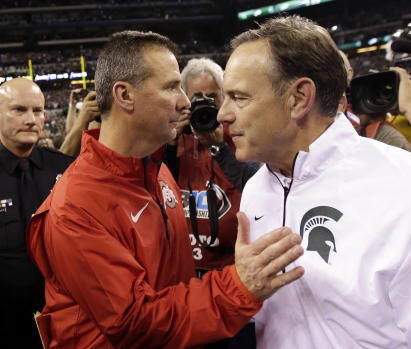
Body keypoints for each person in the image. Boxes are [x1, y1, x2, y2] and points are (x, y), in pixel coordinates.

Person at [27, 31, 304, 348]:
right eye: (172, 87)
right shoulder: (75, 206)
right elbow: (135, 322)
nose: (185, 102)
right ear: (124, 95)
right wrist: (239, 286)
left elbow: (173, 289)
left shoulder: (157, 171)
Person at [217, 15, 411, 348]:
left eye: (239, 97)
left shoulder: (407, 191)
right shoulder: (257, 188)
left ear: (298, 98)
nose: (223, 114)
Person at [164, 57, 259, 348]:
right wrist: (170, 136)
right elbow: (153, 177)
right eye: (196, 98)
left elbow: (255, 182)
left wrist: (217, 146)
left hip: (234, 274)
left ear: (224, 96)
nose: (205, 104)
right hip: (188, 277)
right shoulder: (173, 140)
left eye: (212, 97)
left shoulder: (242, 135)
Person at [0, 78, 74, 348]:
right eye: (19, 110)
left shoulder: (66, 169)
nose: (31, 119)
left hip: (66, 321)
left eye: (37, 110)